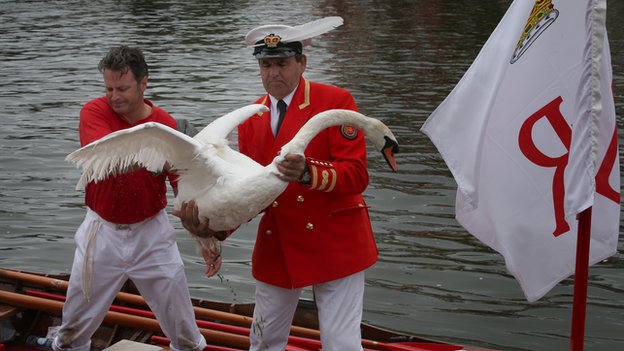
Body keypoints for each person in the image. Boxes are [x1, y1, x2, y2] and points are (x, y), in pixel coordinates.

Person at [52, 45, 209, 351]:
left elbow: (186, 191)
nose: (114, 96)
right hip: (102, 233)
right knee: (71, 330)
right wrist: (164, 149)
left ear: (143, 83)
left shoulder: (165, 125)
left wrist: (206, 238)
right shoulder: (94, 112)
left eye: (122, 88)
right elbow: (108, 155)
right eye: (109, 88)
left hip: (152, 234)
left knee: (186, 334)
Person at [240, 17, 377, 351]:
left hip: (335, 242)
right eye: (266, 64)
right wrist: (212, 232)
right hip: (279, 243)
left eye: (283, 63)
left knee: (341, 345)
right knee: (262, 342)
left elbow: (357, 175)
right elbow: (249, 191)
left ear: (302, 63)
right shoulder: (249, 118)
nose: (273, 72)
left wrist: (307, 173)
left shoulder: (336, 102)